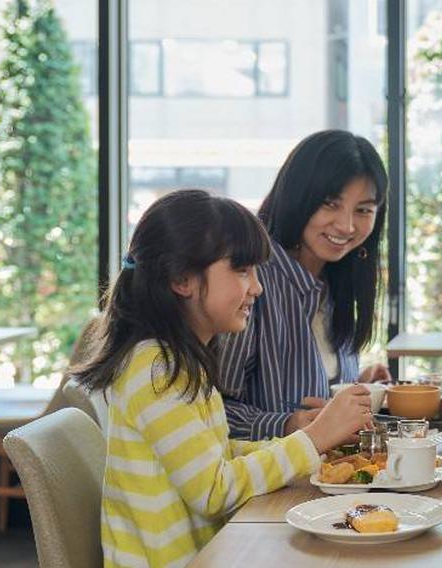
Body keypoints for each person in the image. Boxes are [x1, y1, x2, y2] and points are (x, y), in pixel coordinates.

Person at [74, 190, 373, 567]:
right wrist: (311, 441)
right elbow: (214, 491)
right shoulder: (157, 370)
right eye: (241, 270)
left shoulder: (178, 362)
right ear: (182, 279)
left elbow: (220, 456)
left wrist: (314, 449)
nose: (257, 288)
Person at [219, 129, 390, 441]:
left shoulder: (334, 280)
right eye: (330, 204)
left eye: (363, 210)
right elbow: (209, 408)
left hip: (329, 476)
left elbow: (314, 397)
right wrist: (288, 425)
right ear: (298, 197)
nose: (346, 226)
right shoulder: (254, 282)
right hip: (275, 484)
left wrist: (359, 386)